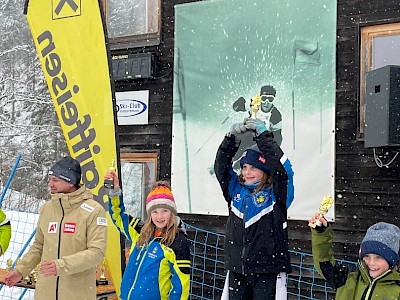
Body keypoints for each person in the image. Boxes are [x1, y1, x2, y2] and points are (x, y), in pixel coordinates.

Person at [4, 156, 108, 300]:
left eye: (56, 180)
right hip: (45, 293)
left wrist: (61, 265)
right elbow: (38, 247)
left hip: (77, 294)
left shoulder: (93, 210)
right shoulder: (47, 209)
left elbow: (96, 253)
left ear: (71, 182)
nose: (50, 184)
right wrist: (21, 271)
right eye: (50, 178)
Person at [214, 117, 294, 299]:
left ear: (265, 171)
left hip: (267, 271)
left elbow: (281, 169)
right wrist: (231, 139)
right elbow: (221, 167)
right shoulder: (235, 190)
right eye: (244, 167)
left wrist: (263, 137)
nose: (246, 173)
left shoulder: (276, 194)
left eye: (253, 168)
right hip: (237, 269)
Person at [105, 169, 191, 299]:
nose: (160, 216)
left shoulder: (177, 242)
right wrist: (114, 190)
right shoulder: (140, 231)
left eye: (165, 211)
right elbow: (117, 215)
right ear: (149, 214)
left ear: (172, 213)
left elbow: (181, 285)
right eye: (155, 211)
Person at [309, 213, 400, 299]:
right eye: (367, 256)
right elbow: (324, 262)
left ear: (391, 260)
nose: (371, 263)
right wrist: (320, 233)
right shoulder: (348, 279)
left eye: (378, 257)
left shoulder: (397, 290)